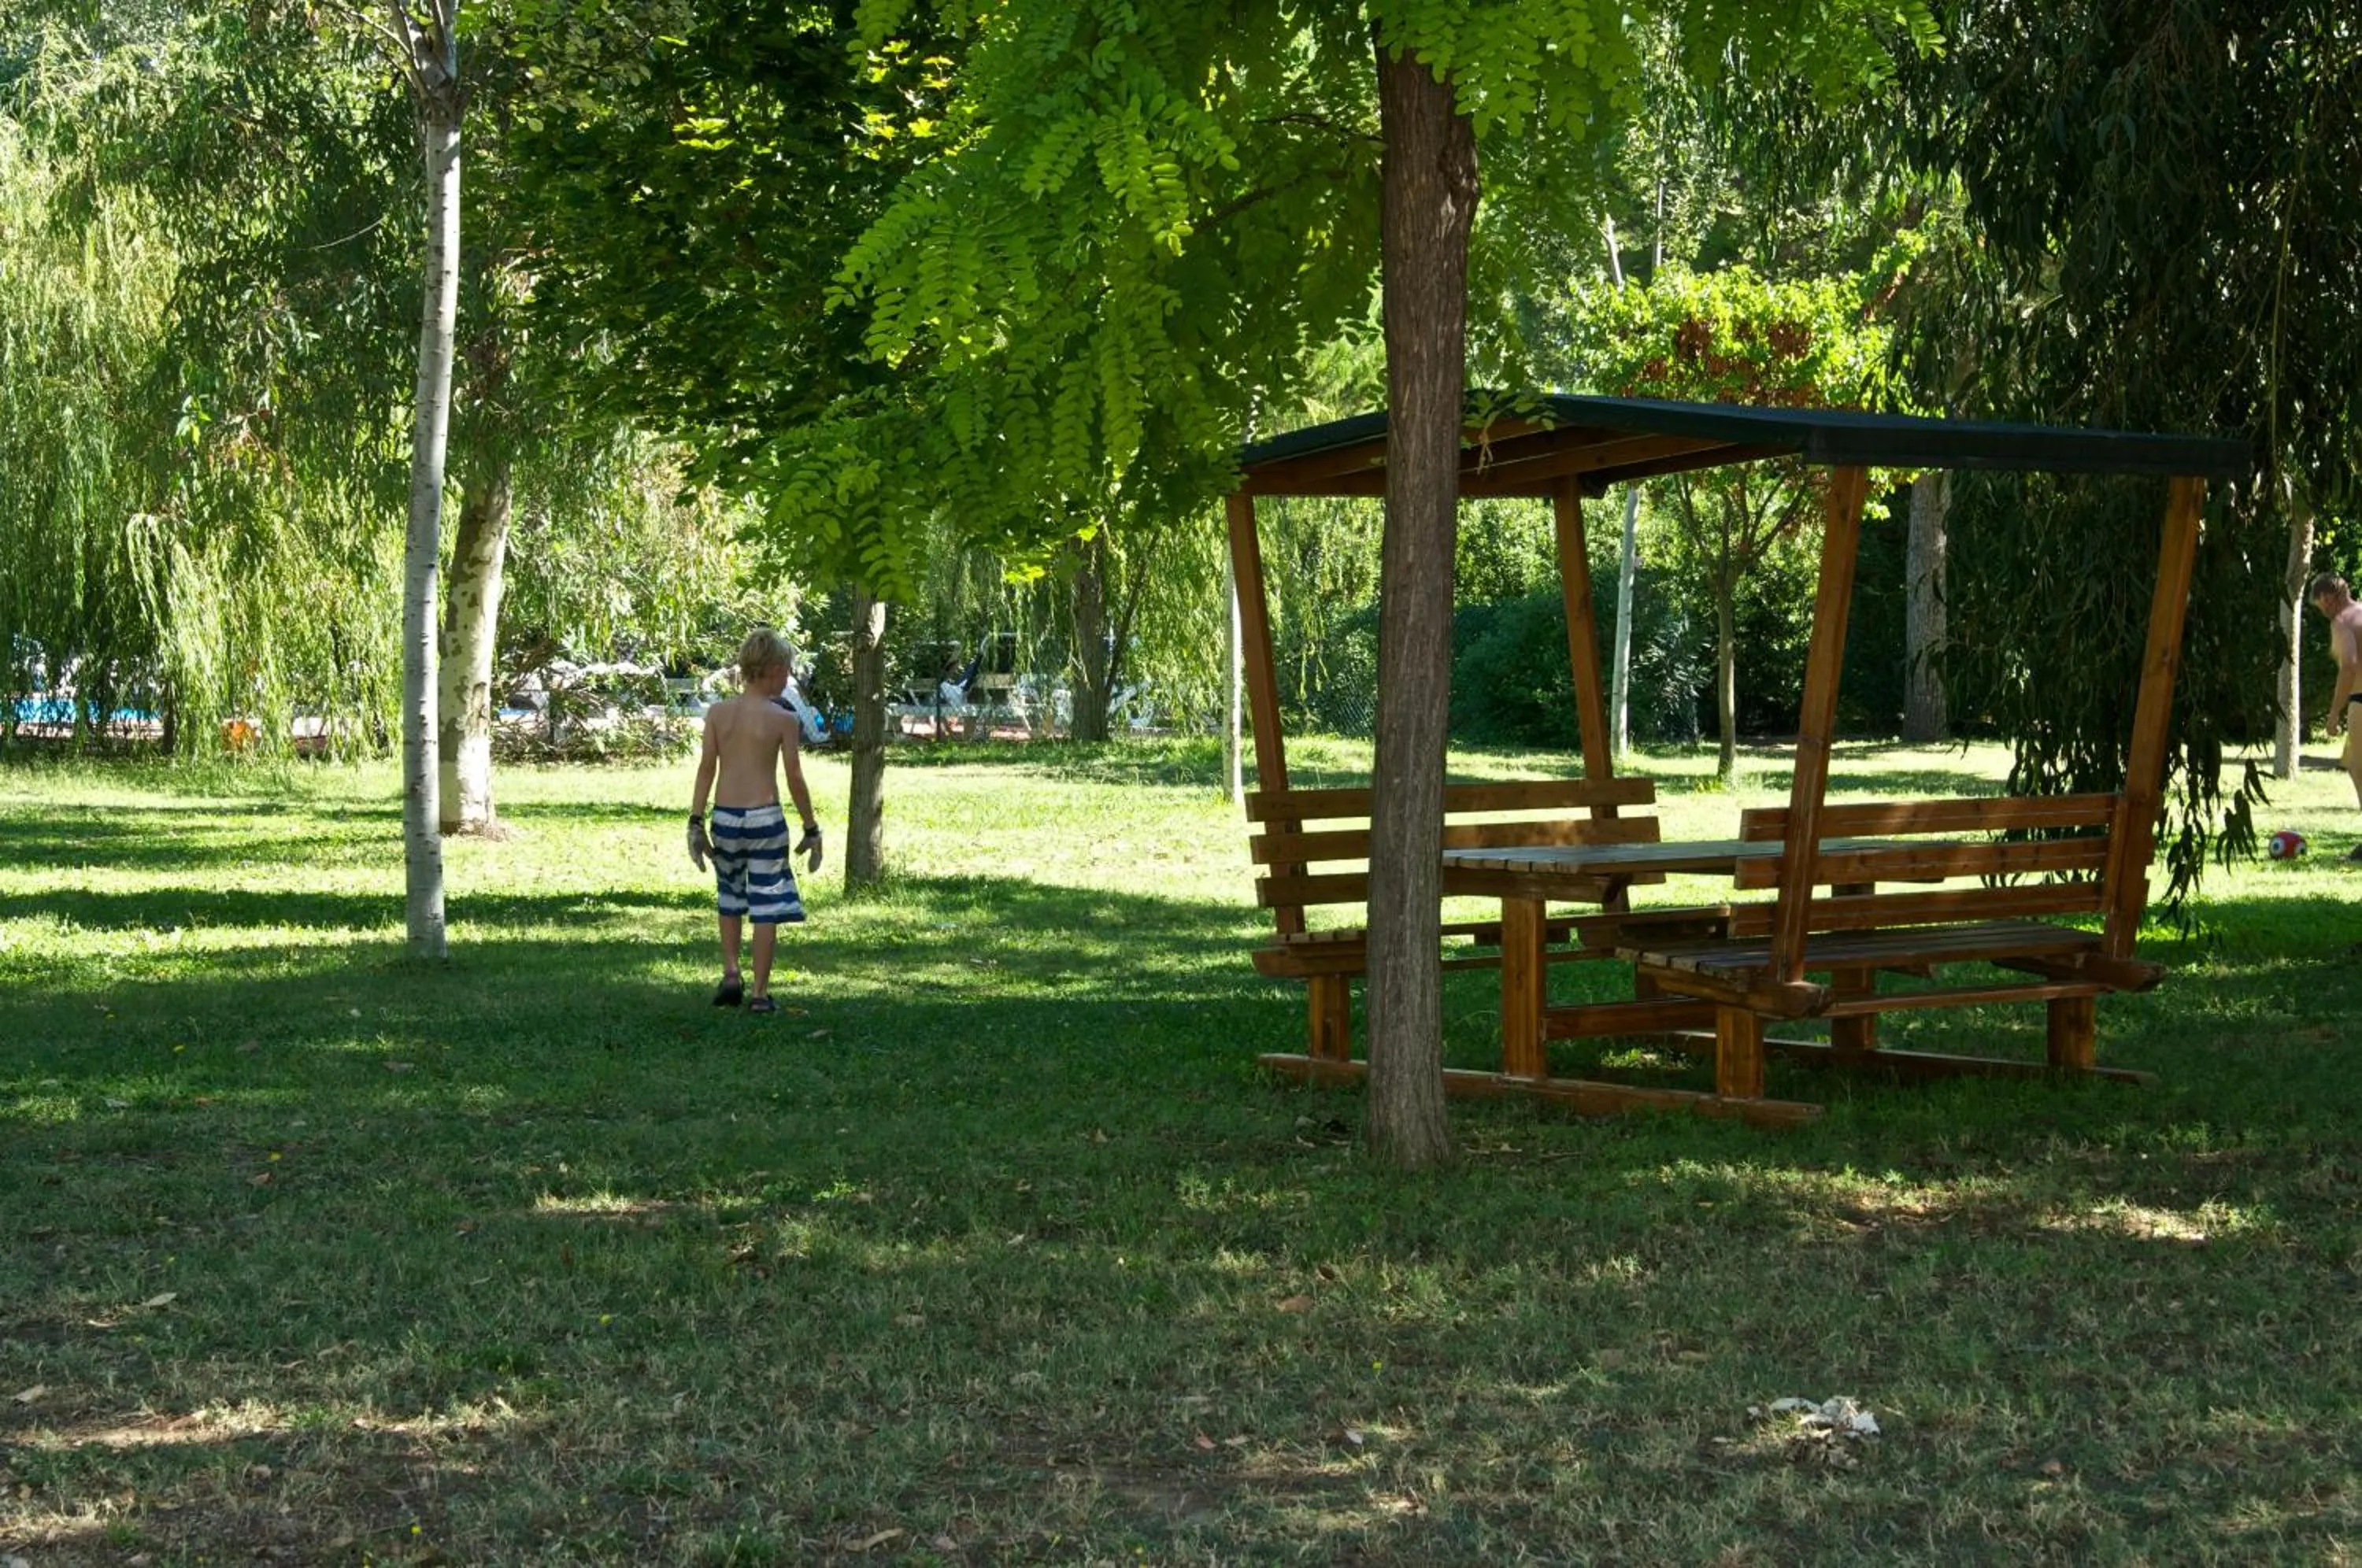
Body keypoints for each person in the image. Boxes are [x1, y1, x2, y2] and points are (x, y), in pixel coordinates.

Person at [687, 627, 824, 1012]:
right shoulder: (782, 718)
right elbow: (794, 777)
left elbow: (706, 769)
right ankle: (760, 995)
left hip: (726, 819)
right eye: (788, 671)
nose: (788, 679)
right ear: (776, 670)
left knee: (729, 895)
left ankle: (731, 974)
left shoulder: (718, 714)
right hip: (766, 819)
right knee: (767, 903)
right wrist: (811, 827)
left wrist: (696, 821)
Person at [2312, 573, 2362, 845]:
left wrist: (2334, 713)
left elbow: (2349, 667)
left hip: (2361, 700)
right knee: (2353, 762)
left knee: (2358, 767)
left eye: (2319, 603)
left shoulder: (2342, 621)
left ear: (2327, 597)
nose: (2321, 610)